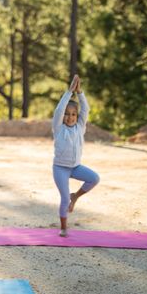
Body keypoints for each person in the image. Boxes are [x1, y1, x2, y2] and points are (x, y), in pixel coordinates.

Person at [52, 75, 100, 237]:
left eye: (73, 114)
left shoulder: (80, 127)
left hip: (76, 167)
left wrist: (80, 93)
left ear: (77, 116)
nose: (70, 117)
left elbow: (85, 109)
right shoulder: (58, 128)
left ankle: (76, 196)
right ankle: (64, 227)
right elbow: (59, 110)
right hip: (60, 168)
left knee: (94, 178)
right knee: (64, 199)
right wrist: (69, 92)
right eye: (67, 114)